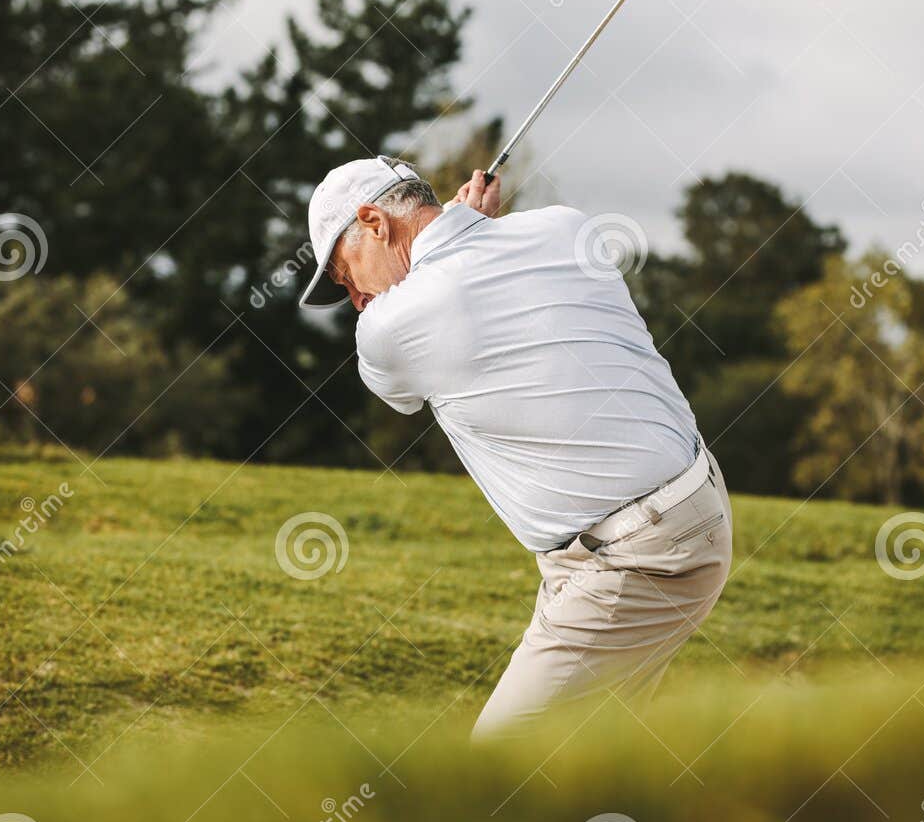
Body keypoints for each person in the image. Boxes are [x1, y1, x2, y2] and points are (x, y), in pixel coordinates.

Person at [299, 154, 732, 742]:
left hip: (636, 558)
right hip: (687, 512)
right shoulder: (565, 226)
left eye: (346, 276)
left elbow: (398, 390)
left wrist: (450, 238)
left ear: (375, 221)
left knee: (501, 767)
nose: (356, 298)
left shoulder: (390, 327)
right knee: (594, 757)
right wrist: (455, 232)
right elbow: (483, 279)